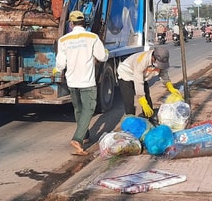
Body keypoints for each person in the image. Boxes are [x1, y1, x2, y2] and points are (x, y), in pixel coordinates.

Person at [54, 10, 108, 156]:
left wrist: (56, 69)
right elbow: (102, 57)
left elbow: (60, 64)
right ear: (84, 22)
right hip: (87, 81)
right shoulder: (92, 37)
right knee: (88, 109)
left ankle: (85, 135)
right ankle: (77, 138)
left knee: (78, 109)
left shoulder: (63, 40)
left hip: (72, 81)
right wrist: (106, 53)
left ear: (71, 24)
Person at [116, 47, 171, 121]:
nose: (160, 65)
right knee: (129, 100)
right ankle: (130, 122)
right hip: (126, 74)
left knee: (147, 97)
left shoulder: (161, 59)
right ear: (153, 58)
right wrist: (142, 101)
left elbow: (163, 72)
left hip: (142, 75)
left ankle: (149, 120)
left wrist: (169, 86)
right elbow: (139, 82)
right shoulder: (142, 61)